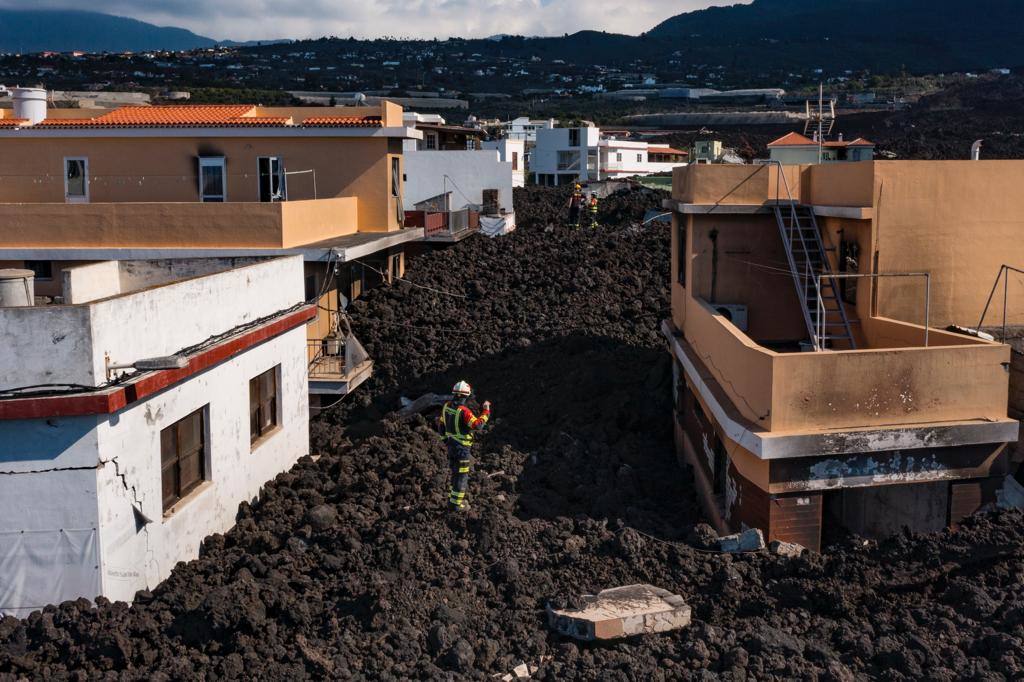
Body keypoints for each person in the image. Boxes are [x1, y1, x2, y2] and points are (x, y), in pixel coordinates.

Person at [437, 381, 491, 511]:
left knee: (455, 474)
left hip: (451, 447)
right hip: (462, 449)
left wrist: (445, 440)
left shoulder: (446, 406)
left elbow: (441, 425)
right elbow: (478, 425)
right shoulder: (464, 411)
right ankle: (456, 505)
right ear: (466, 396)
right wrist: (486, 411)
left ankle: (452, 501)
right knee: (462, 476)